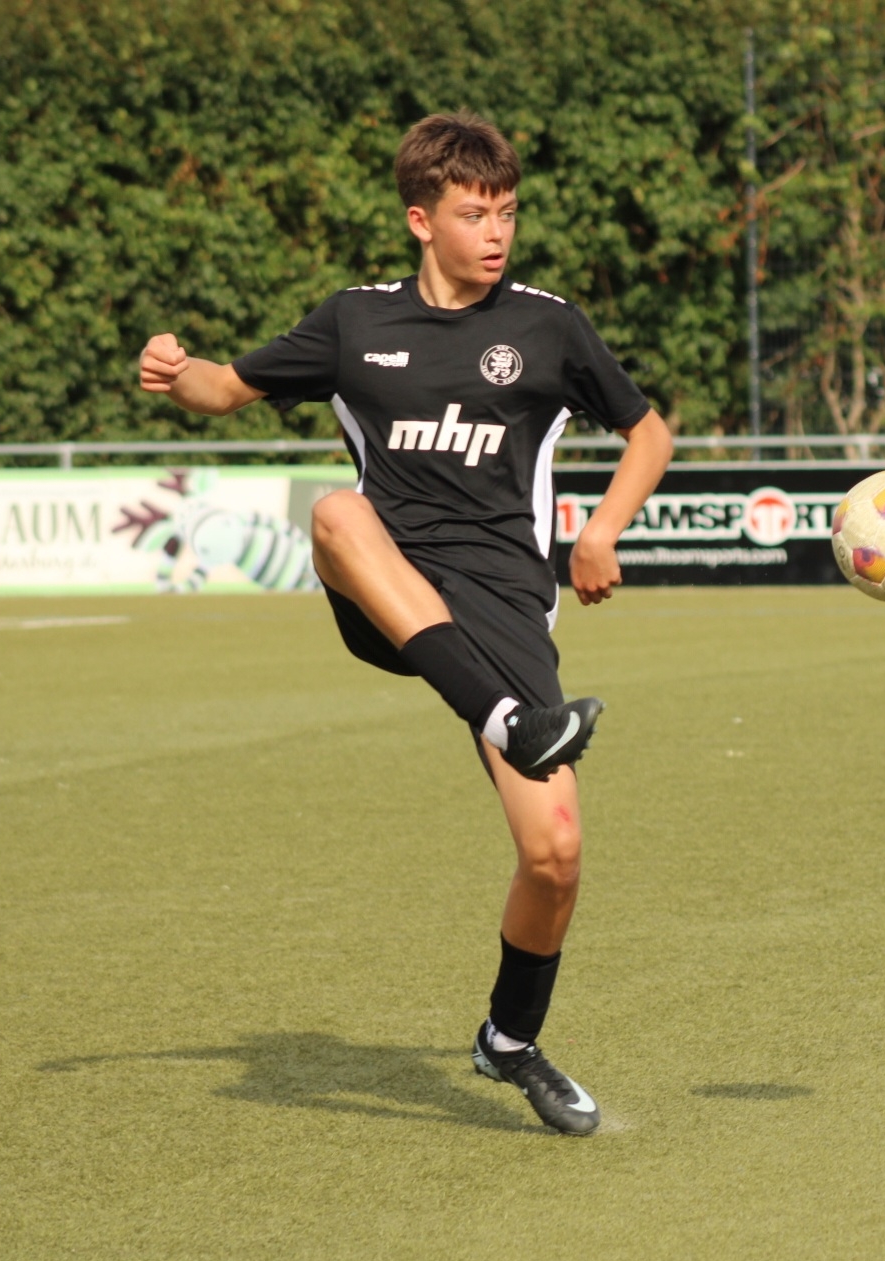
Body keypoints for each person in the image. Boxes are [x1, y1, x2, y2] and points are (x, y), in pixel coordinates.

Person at [136, 111, 673, 1135]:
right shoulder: (355, 322)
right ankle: (506, 720)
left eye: (507, 213)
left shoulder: (548, 327)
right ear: (421, 220)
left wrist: (602, 531)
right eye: (474, 214)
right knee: (337, 512)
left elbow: (646, 431)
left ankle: (508, 1041)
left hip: (505, 601)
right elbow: (224, 389)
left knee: (555, 851)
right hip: (386, 581)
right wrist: (175, 368)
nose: (496, 233)